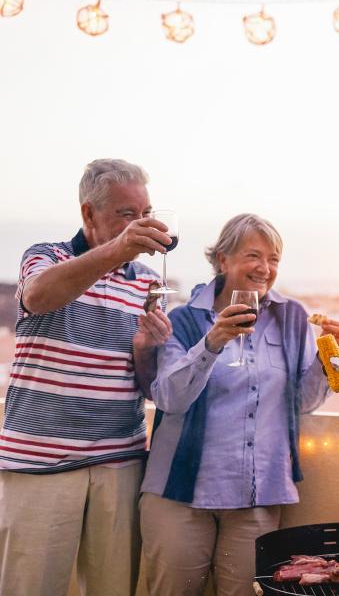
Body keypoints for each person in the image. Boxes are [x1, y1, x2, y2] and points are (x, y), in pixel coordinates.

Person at [140, 213, 339, 596]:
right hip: (179, 495)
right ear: (222, 260)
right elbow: (169, 397)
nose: (265, 269)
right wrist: (213, 342)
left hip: (256, 497)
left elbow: (300, 404)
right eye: (254, 256)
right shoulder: (184, 319)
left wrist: (324, 361)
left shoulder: (292, 317)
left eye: (274, 259)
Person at [0, 158, 173, 596]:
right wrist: (117, 251)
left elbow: (149, 385)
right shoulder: (45, 257)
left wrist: (144, 351)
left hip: (120, 462)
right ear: (88, 213)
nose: (141, 224)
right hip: (40, 464)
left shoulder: (148, 281)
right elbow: (39, 297)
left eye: (146, 213)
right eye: (126, 214)